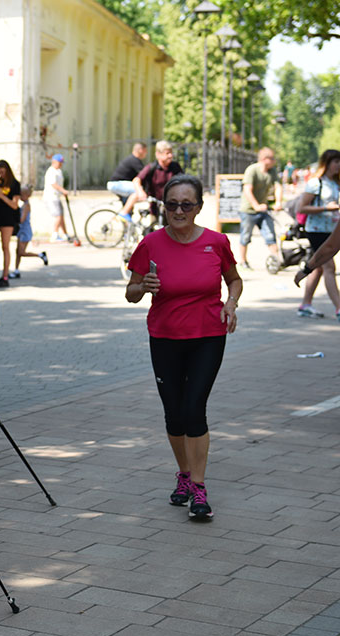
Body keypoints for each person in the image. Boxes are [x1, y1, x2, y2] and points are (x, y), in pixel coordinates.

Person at [125, 175, 242, 521]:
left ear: (199, 208)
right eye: (171, 204)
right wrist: (143, 286)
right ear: (164, 206)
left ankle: (200, 488)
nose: (178, 210)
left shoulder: (216, 242)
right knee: (174, 413)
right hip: (164, 337)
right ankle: (185, 474)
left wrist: (231, 303)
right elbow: (130, 292)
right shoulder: (150, 244)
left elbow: (233, 279)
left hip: (208, 335)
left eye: (186, 204)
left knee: (194, 409)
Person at [295, 149, 340, 319]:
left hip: (332, 228)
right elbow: (302, 207)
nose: (338, 165)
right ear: (326, 163)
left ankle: (305, 304)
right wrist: (325, 208)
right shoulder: (316, 183)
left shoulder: (336, 183)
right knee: (329, 266)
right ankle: (338, 307)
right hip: (316, 230)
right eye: (335, 162)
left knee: (318, 268)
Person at [237, 147, 282, 270]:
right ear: (264, 159)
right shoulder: (252, 170)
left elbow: (278, 187)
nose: (274, 161)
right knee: (245, 236)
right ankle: (242, 261)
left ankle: (276, 261)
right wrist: (256, 205)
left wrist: (278, 202)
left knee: (270, 234)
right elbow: (247, 189)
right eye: (272, 158)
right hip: (248, 210)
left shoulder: (272, 172)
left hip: (264, 209)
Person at [123, 140, 183, 224]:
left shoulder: (175, 167)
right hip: (155, 208)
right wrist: (140, 192)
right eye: (167, 153)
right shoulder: (151, 168)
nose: (170, 156)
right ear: (158, 154)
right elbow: (136, 180)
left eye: (171, 153)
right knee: (152, 230)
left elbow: (184, 182)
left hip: (172, 208)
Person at [0, 160, 21, 288]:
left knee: (5, 247)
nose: (0, 174)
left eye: (2, 171)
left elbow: (14, 204)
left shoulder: (15, 184)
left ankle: (5, 275)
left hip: (8, 218)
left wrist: (2, 196)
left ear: (7, 170)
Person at [12, 184, 48, 278]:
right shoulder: (23, 205)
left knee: (21, 252)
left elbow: (22, 219)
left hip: (25, 230)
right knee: (18, 252)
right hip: (21, 230)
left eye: (22, 195)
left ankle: (40, 255)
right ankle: (16, 270)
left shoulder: (26, 206)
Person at [108, 142, 148, 219]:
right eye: (145, 150)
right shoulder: (134, 161)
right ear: (140, 150)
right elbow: (144, 175)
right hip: (117, 184)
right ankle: (124, 213)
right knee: (138, 191)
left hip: (119, 184)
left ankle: (127, 225)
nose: (146, 153)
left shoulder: (133, 159)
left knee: (129, 206)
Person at [43, 154, 70, 241]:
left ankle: (65, 234)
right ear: (54, 162)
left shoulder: (58, 171)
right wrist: (63, 191)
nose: (61, 164)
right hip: (51, 197)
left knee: (61, 215)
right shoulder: (51, 171)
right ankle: (55, 234)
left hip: (57, 197)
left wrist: (62, 192)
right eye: (59, 163)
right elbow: (54, 184)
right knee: (58, 215)